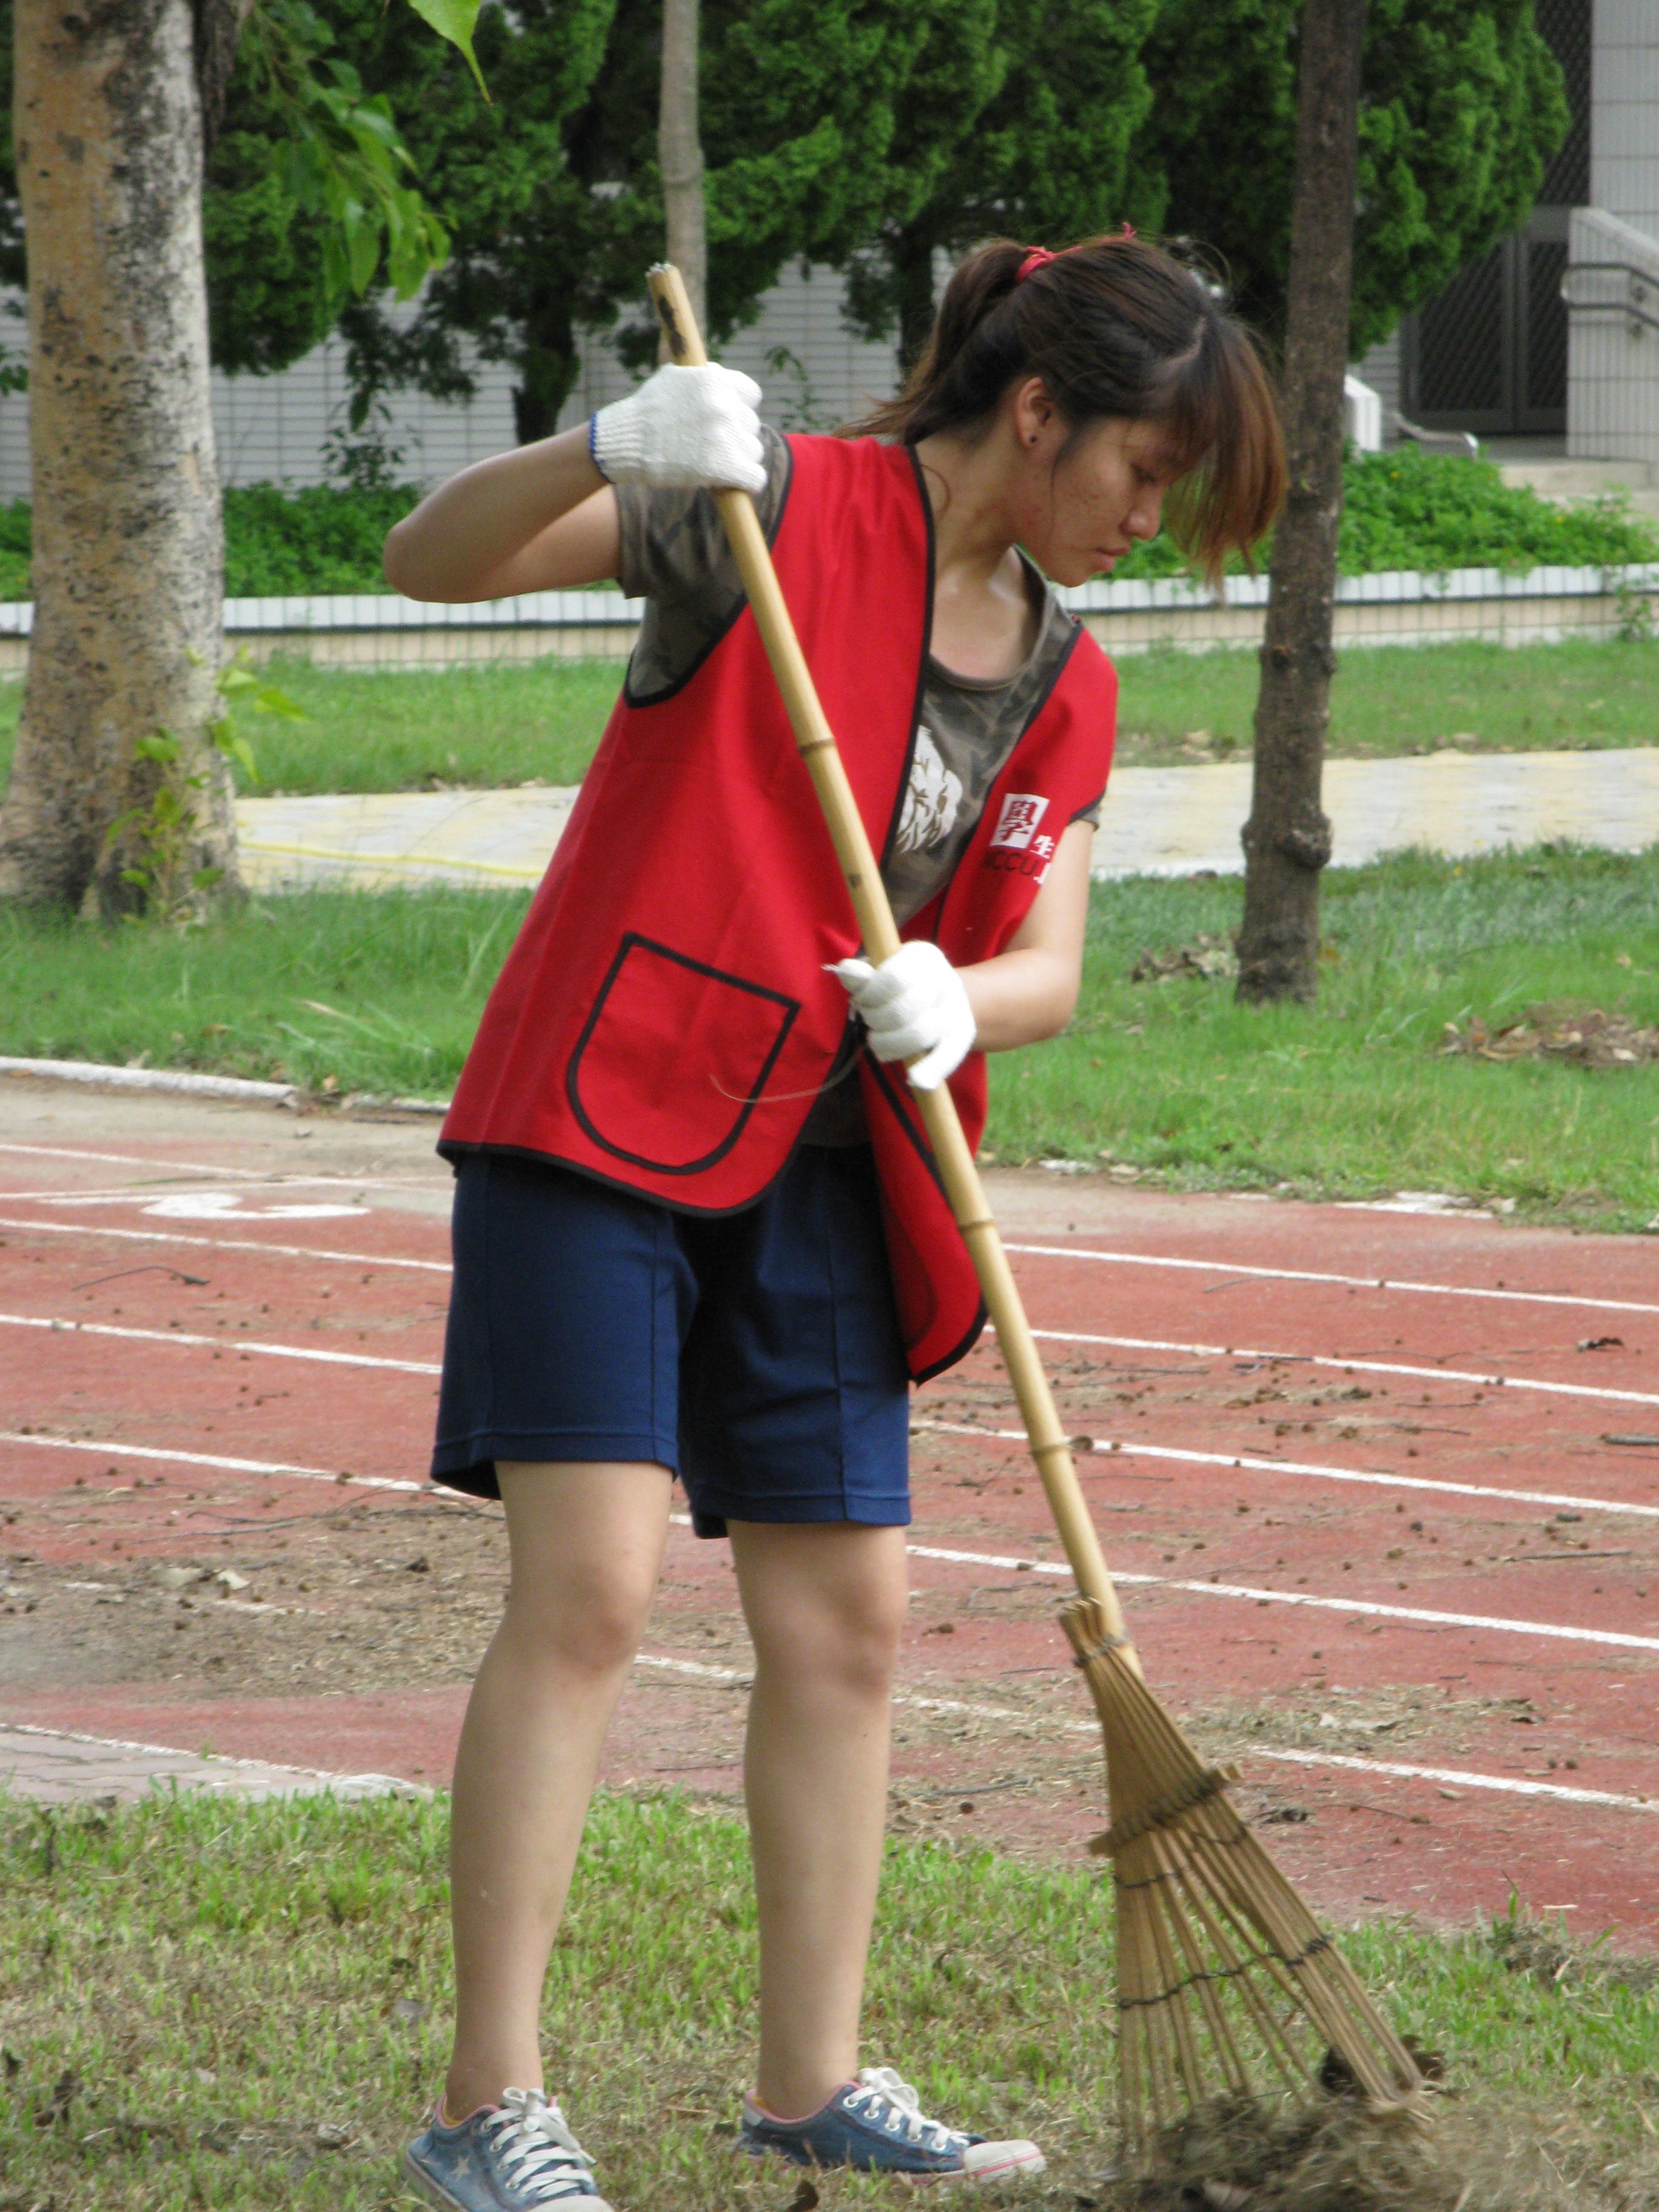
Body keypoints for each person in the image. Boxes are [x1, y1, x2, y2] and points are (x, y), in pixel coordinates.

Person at [383, 233, 1284, 2212]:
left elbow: (1043, 962)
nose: (1153, 519)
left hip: (825, 1158)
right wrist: (599, 444)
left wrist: (965, 1001)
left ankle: (813, 2080)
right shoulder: (764, 513)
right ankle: (485, 2105)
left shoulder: (1068, 672)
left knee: (851, 1626)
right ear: (1037, 411)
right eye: (1146, 469)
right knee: (597, 1590)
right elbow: (424, 563)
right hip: (603, 1113)